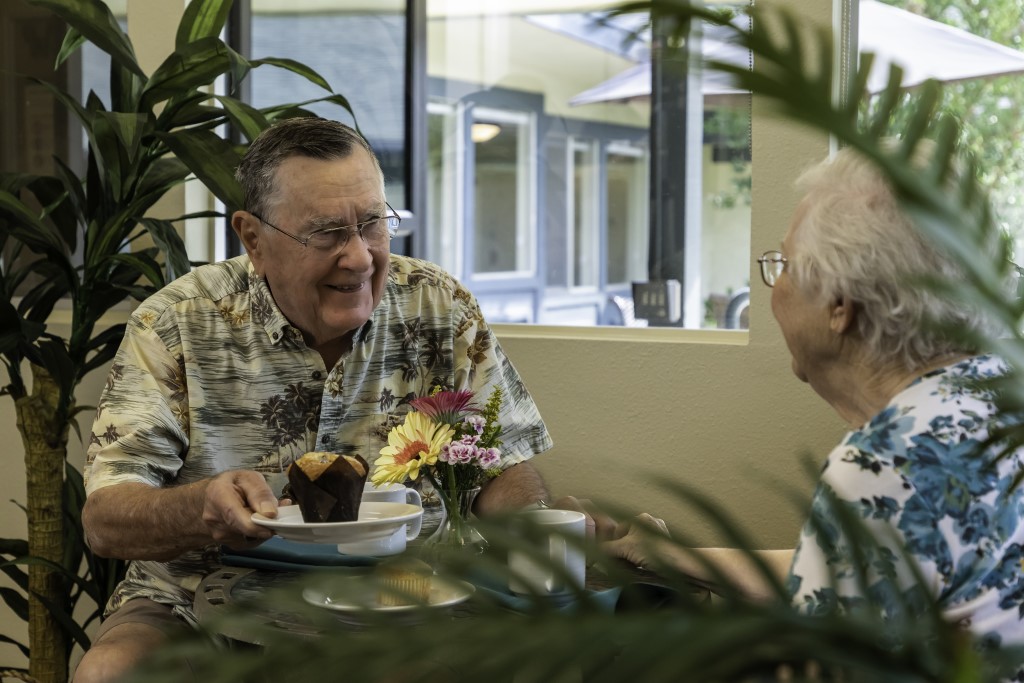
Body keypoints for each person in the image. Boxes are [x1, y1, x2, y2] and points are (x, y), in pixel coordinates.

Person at [75, 117, 559, 682]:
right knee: (111, 673)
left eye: (373, 224)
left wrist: (539, 539)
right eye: (327, 233)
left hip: (402, 598)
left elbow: (502, 470)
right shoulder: (175, 324)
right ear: (253, 240)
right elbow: (106, 521)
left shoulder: (438, 306)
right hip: (194, 598)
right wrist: (201, 506)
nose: (358, 258)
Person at [605, 142, 1024, 650]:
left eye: (783, 263)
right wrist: (675, 558)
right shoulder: (993, 389)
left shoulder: (887, 463)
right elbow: (848, 572)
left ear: (840, 305)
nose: (771, 286)